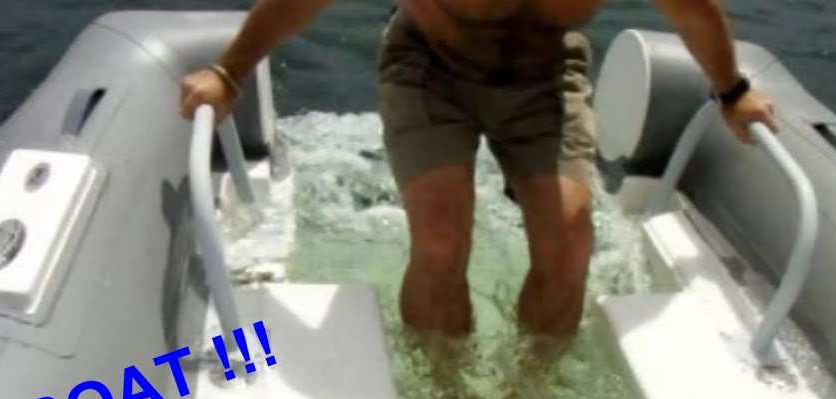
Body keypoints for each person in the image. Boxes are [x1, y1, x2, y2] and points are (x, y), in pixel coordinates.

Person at [179, 0, 778, 347]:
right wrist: (229, 73)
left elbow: (691, 8)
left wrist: (732, 91)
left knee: (570, 239)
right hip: (429, 67)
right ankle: (448, 396)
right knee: (442, 237)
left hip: (545, 75)